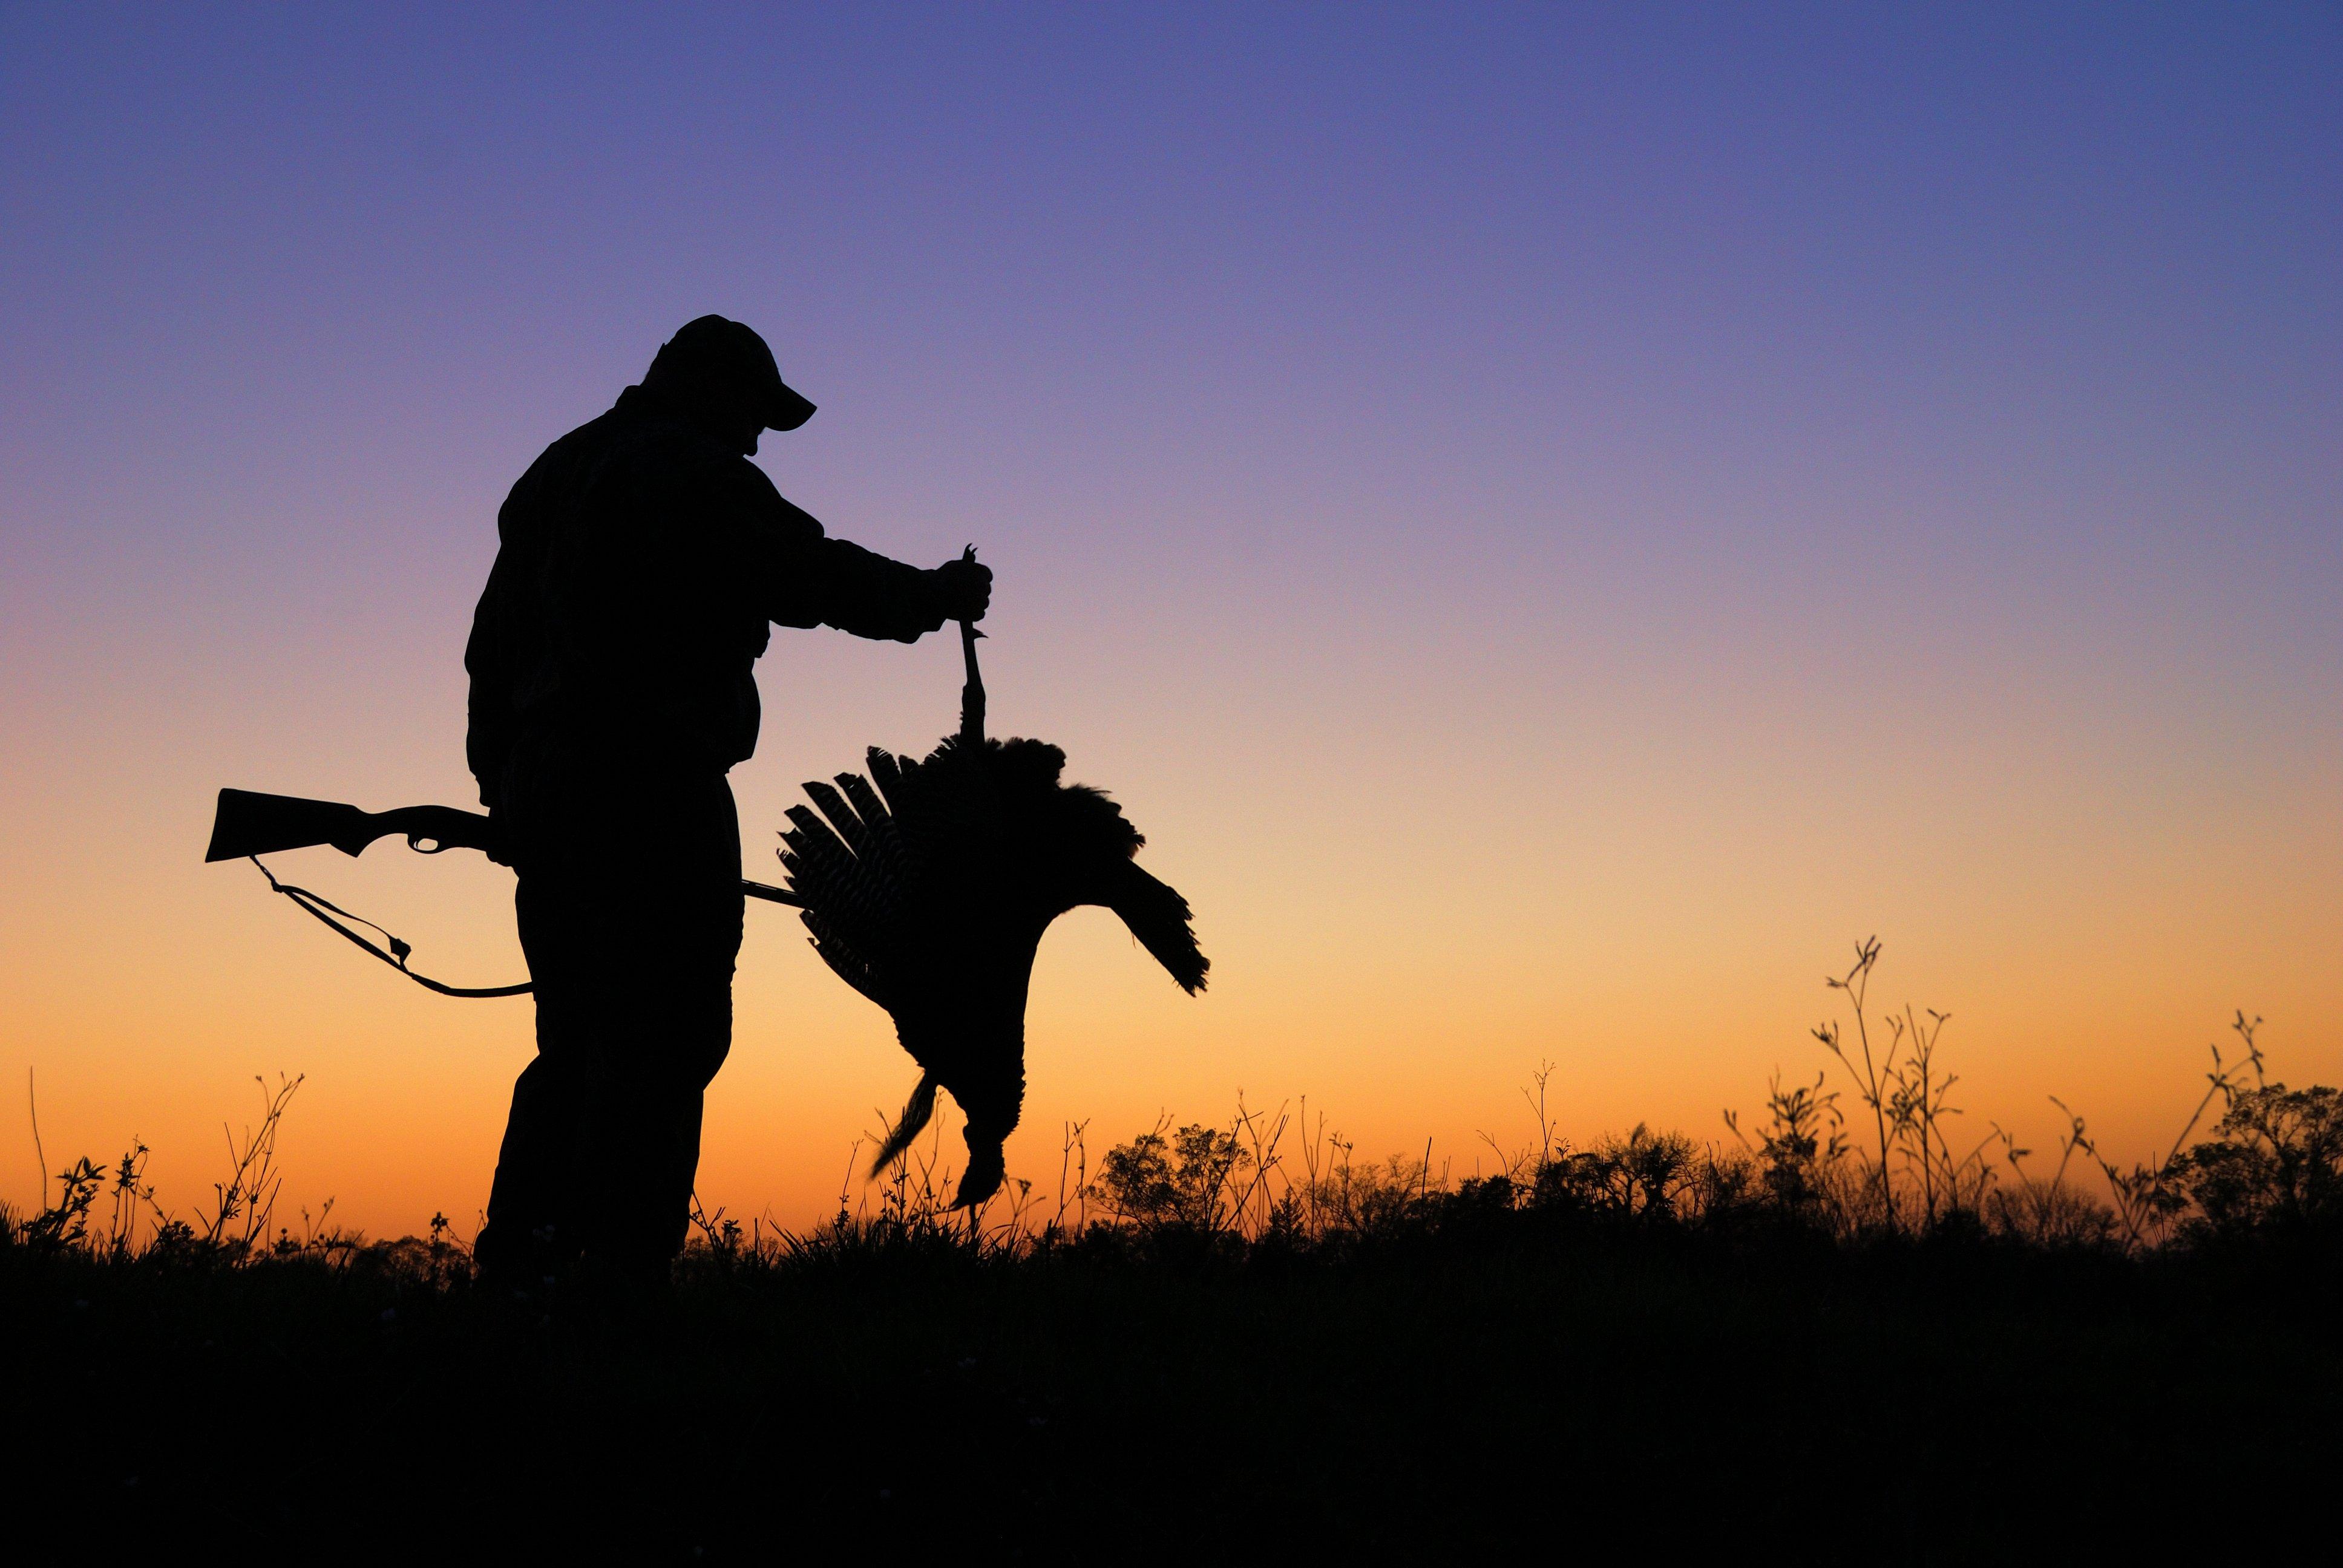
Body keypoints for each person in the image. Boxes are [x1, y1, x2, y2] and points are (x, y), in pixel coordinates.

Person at [462, 315, 990, 1284]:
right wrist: (935, 597)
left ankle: (524, 1270)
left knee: (574, 1038)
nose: (756, 439)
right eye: (754, 414)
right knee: (667, 1034)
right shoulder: (687, 469)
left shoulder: (556, 470)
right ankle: (621, 1280)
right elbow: (810, 574)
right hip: (653, 788)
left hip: (553, 793)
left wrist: (505, 784)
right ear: (710, 388)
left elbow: (490, 650)